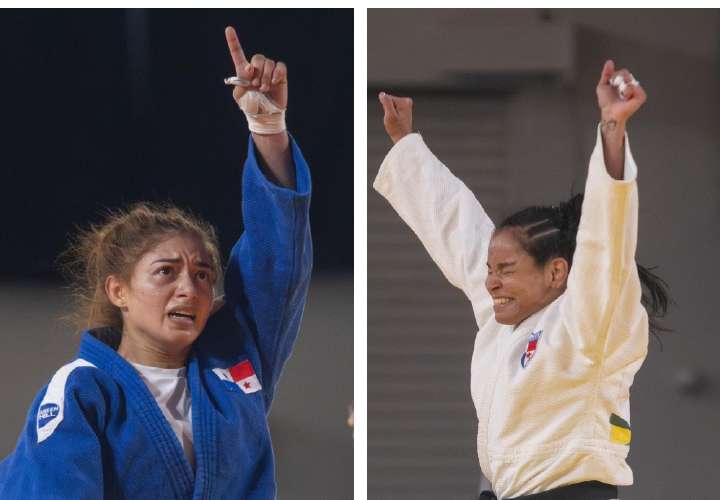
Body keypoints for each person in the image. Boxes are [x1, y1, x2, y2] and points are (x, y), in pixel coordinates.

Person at [0, 26, 312, 500]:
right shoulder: (83, 390)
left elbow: (277, 266)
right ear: (117, 291)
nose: (190, 288)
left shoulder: (235, 367)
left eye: (204, 274)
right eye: (166, 272)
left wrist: (268, 129)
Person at [374, 60, 669, 500]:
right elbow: (456, 225)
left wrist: (611, 129)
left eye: (506, 271)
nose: (491, 281)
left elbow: (605, 245)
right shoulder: (502, 317)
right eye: (491, 270)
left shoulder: (590, 319)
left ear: (556, 272)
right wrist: (406, 143)